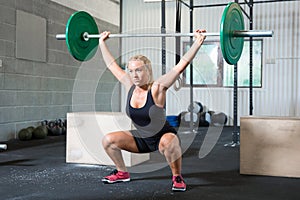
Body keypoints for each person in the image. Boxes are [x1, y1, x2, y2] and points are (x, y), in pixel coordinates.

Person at [99, 29, 206, 192]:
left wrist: (197, 42)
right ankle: (122, 173)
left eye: (139, 70)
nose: (134, 75)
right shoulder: (129, 86)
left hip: (162, 137)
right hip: (141, 138)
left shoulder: (157, 88)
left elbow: (179, 67)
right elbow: (111, 65)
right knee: (108, 140)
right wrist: (101, 42)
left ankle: (177, 176)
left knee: (169, 143)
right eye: (131, 70)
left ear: (148, 70)